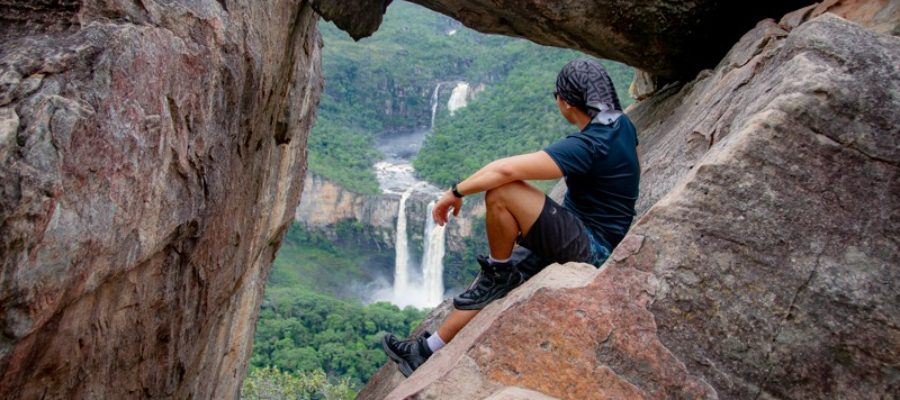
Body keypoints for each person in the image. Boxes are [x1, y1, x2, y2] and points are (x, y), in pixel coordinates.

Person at [381, 58, 641, 377]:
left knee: (503, 196)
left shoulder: (590, 144)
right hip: (583, 231)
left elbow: (506, 170)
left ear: (566, 102)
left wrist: (456, 192)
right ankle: (425, 350)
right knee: (491, 280)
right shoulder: (620, 125)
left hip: (593, 247)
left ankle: (500, 273)